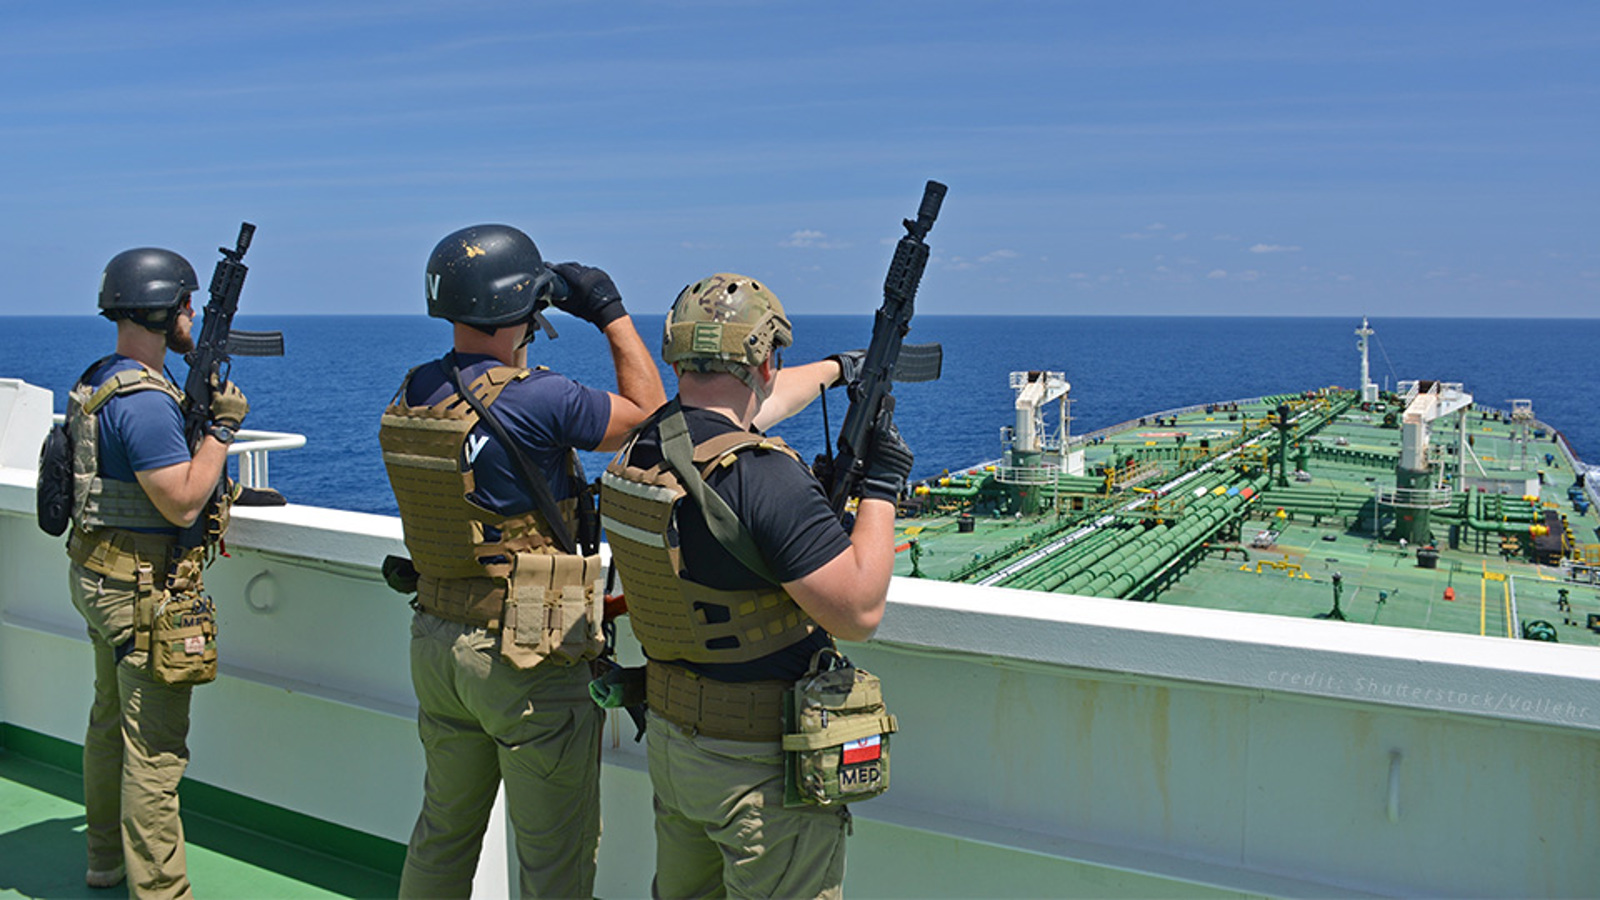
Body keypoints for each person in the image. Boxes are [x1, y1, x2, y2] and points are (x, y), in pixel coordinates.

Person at [599, 272, 913, 898]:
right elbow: (858, 611)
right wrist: (881, 487)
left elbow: (747, 405)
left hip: (676, 741)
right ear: (766, 358)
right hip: (757, 768)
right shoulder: (765, 478)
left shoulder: (649, 444)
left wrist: (834, 370)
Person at [380, 224, 666, 898]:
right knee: (554, 860)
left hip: (437, 640)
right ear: (524, 308)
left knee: (443, 833)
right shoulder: (539, 396)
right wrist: (609, 311)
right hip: (523, 655)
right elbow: (654, 419)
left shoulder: (417, 389)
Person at [67, 247, 249, 897]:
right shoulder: (144, 402)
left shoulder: (104, 377)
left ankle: (102, 858)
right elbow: (180, 498)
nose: (192, 315)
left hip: (100, 574)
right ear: (160, 309)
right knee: (155, 754)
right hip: (141, 593)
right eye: (185, 304)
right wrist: (223, 430)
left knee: (107, 722)